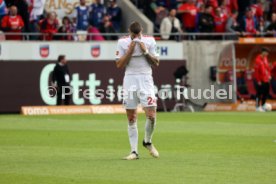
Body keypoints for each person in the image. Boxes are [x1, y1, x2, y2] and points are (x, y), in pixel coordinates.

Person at [115, 21, 160, 160]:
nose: (136, 37)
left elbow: (156, 63)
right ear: (129, 32)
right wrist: (129, 51)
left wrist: (145, 51)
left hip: (146, 79)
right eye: (134, 35)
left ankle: (147, 141)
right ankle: (134, 151)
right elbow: (119, 64)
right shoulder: (122, 42)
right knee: (131, 117)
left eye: (138, 34)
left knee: (151, 115)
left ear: (142, 31)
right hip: (130, 79)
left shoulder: (150, 40)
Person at [253, 47, 271, 112]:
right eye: (266, 52)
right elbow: (256, 72)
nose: (267, 54)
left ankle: (263, 105)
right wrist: (258, 81)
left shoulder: (265, 59)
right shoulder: (257, 60)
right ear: (263, 52)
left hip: (266, 79)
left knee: (266, 93)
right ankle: (257, 106)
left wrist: (269, 76)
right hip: (260, 80)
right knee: (259, 94)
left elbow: (268, 68)